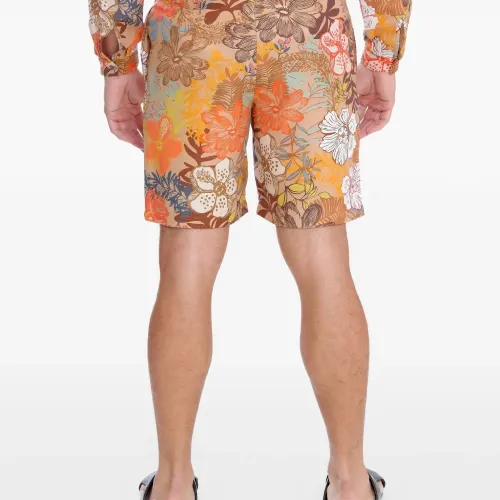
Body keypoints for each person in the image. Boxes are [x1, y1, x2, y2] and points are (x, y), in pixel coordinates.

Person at [88, 0, 411, 498]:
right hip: (311, 32)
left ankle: (173, 484)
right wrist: (383, 55)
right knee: (323, 257)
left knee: (187, 263)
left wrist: (118, 61)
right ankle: (351, 482)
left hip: (191, 36)